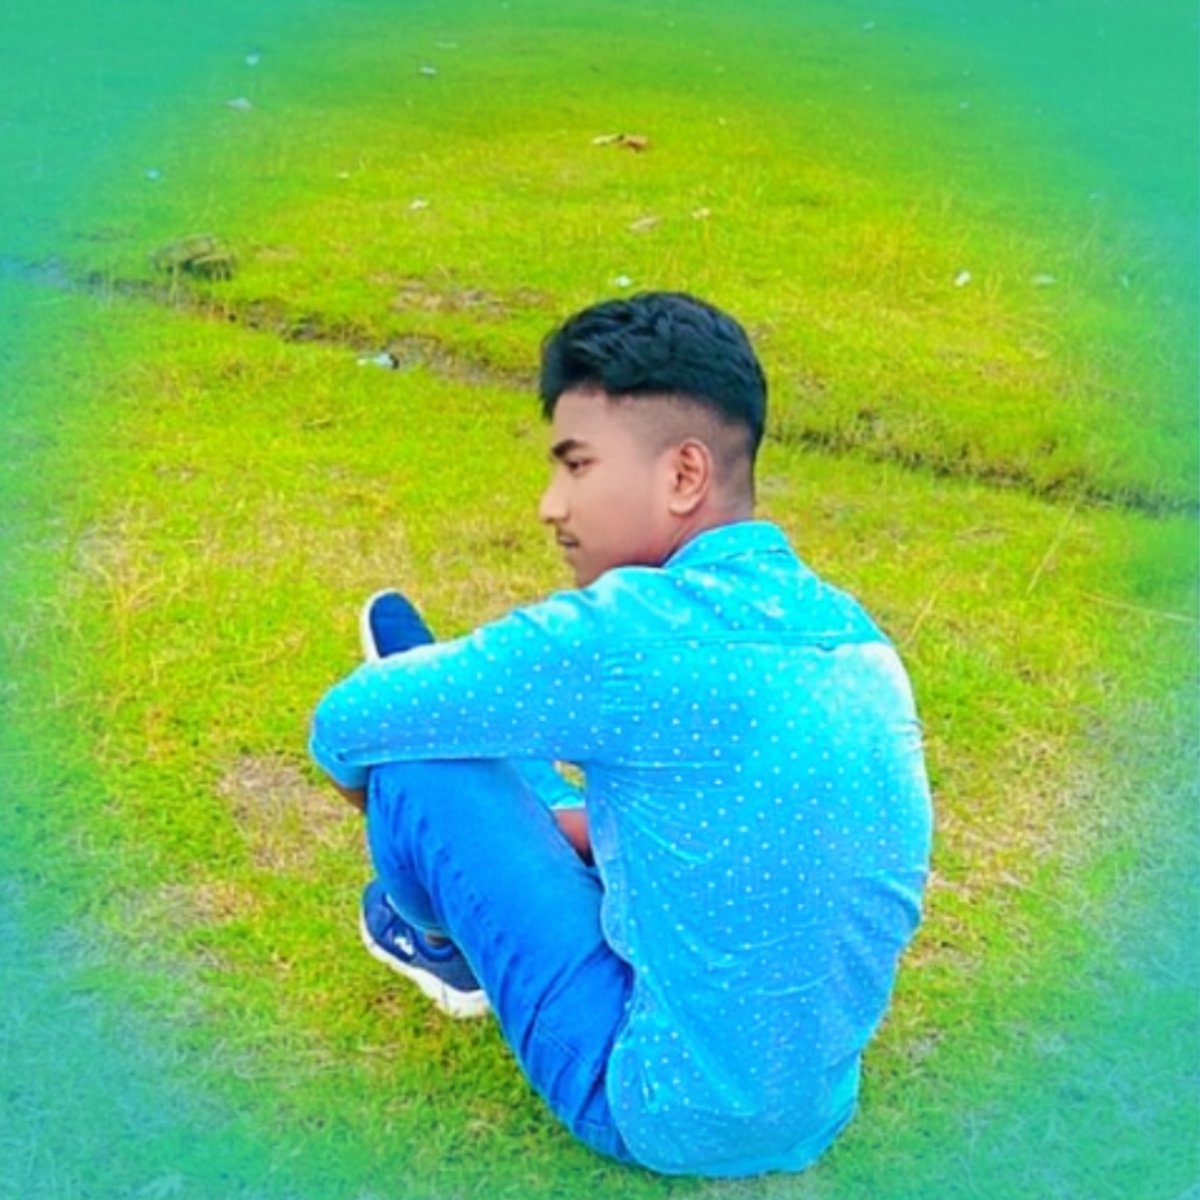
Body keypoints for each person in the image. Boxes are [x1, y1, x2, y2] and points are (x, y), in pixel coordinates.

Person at [309, 291, 933, 1177]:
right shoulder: (859, 643)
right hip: (816, 1104)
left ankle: (442, 947)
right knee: (562, 757)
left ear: (683, 476)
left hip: (654, 1101)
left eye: (578, 466)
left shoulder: (627, 632)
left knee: (414, 765)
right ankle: (476, 738)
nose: (550, 505)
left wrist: (414, 814)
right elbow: (757, 840)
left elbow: (340, 728)